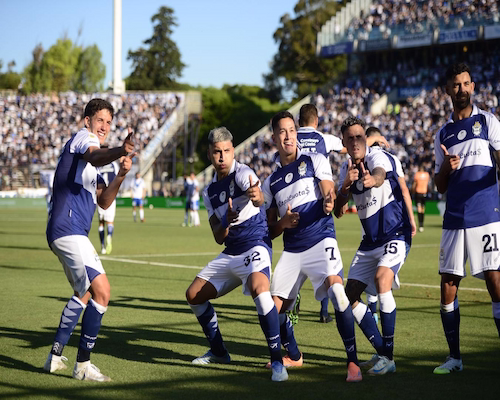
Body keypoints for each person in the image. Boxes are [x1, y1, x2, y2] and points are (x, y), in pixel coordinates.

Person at [262, 111, 362, 383]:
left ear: (297, 133)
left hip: (321, 240)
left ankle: (352, 363)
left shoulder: (315, 160)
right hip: (293, 250)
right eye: (282, 132)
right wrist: (282, 223)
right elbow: (269, 231)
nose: (288, 136)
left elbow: (329, 190)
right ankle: (292, 355)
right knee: (271, 308)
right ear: (274, 138)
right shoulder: (270, 183)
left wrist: (330, 200)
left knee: (338, 292)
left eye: (291, 130)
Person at [185, 127, 288, 382]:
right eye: (217, 152)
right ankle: (219, 351)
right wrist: (226, 222)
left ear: (233, 152)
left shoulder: (243, 173)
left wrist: (256, 196)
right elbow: (218, 236)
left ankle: (277, 362)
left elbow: (256, 197)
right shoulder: (209, 192)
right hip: (231, 251)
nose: (222, 156)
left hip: (255, 245)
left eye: (227, 151)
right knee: (194, 295)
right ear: (210, 154)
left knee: (259, 288)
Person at [44, 98, 135, 381]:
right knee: (103, 291)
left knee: (84, 293)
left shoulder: (93, 165)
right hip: (68, 228)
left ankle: (55, 357)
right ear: (87, 121)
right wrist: (120, 148)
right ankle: (83, 366)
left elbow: (104, 202)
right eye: (100, 121)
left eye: (109, 122)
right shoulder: (84, 139)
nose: (105, 126)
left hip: (66, 231)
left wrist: (120, 174)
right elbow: (96, 155)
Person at [433, 62, 500, 374]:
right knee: (448, 285)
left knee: (495, 281)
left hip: (486, 213)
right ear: (448, 90)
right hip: (455, 216)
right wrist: (448, 166)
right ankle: (455, 358)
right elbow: (440, 184)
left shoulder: (487, 121)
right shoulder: (442, 133)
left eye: (465, 84)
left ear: (473, 86)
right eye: (455, 85)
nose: (460, 89)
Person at [296, 104, 390, 323]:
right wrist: (373, 140)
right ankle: (324, 310)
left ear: (299, 121)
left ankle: (294, 295)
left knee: (296, 252)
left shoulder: (292, 139)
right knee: (326, 263)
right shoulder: (323, 138)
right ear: (316, 121)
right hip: (321, 201)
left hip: (295, 201)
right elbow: (348, 146)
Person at [334, 116, 413, 376]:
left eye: (359, 137)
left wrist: (372, 180)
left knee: (382, 281)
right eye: (350, 138)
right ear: (344, 142)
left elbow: (380, 175)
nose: (355, 142)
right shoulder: (346, 169)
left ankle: (387, 357)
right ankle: (382, 351)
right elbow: (338, 209)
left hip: (395, 234)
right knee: (350, 296)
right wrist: (346, 185)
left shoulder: (378, 157)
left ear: (365, 139)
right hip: (369, 242)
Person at [97, 155, 119, 254]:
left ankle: (102, 247)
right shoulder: (114, 165)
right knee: (110, 222)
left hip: (100, 196)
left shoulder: (99, 165)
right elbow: (118, 178)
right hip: (111, 196)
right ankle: (109, 236)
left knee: (101, 222)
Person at [412, 165, 431, 232]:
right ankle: (422, 224)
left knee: (419, 209)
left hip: (418, 193)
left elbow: (414, 184)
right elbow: (428, 184)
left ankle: (420, 225)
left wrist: (412, 191)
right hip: (424, 193)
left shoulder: (417, 174)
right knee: (423, 209)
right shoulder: (427, 174)